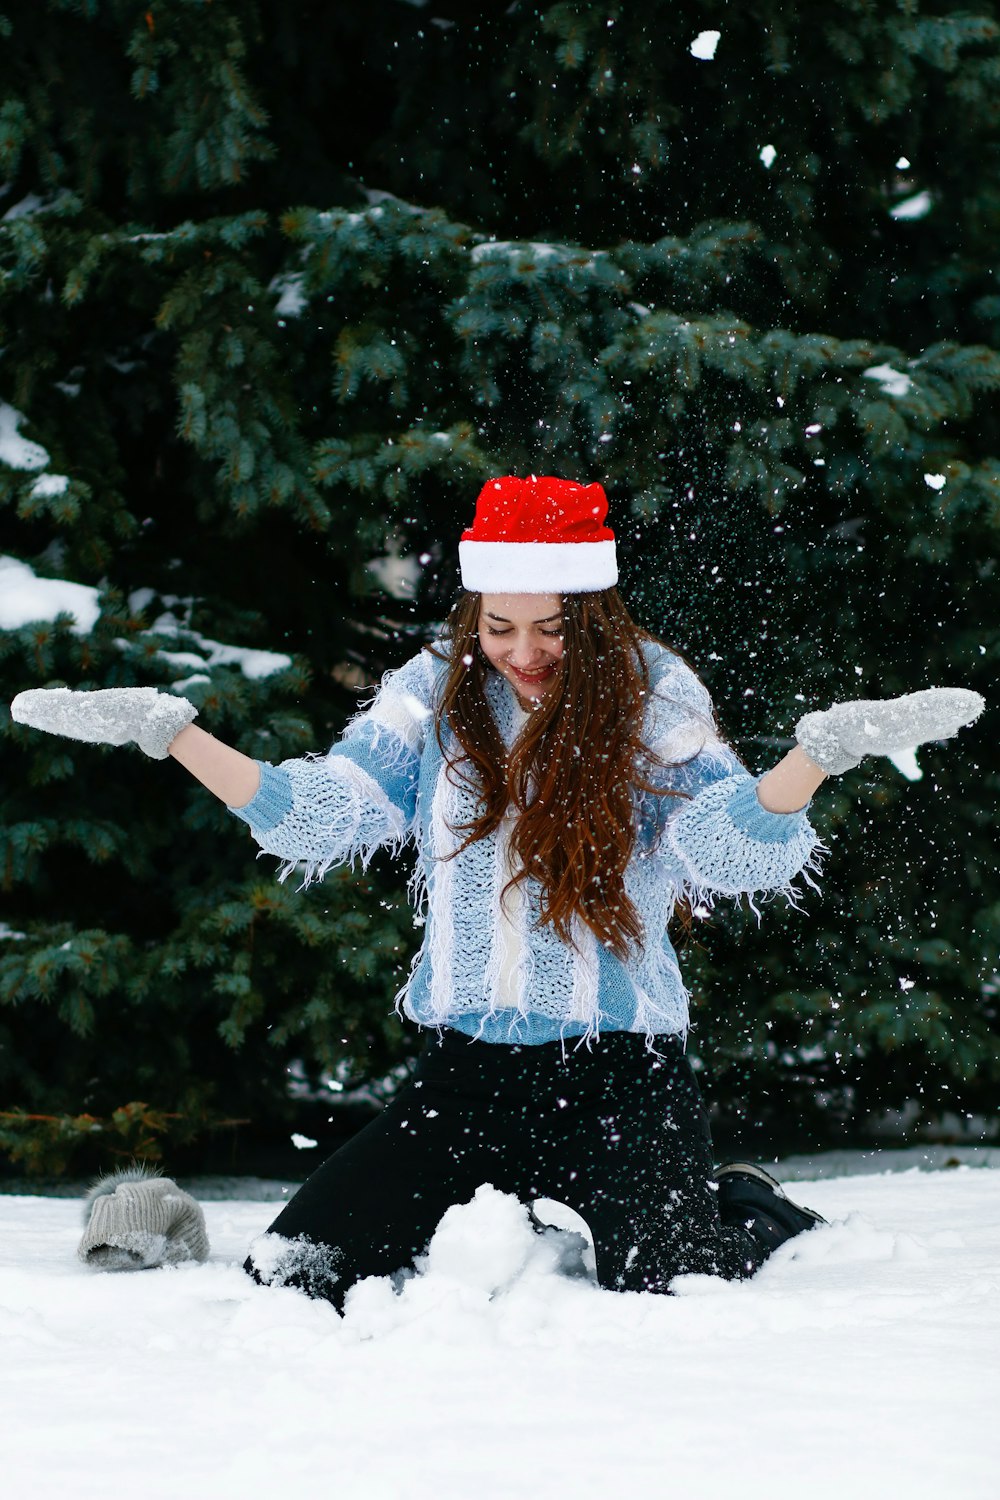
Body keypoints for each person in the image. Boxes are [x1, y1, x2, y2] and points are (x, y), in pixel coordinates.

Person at [11, 474, 984, 1307]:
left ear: (592, 618)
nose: (522, 654)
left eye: (551, 629)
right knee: (295, 1272)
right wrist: (172, 735)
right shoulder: (436, 687)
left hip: (618, 1075)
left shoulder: (655, 692)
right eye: (500, 626)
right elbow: (330, 809)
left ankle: (743, 1201)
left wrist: (813, 760)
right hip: (468, 1074)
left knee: (672, 1282)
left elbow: (728, 852)